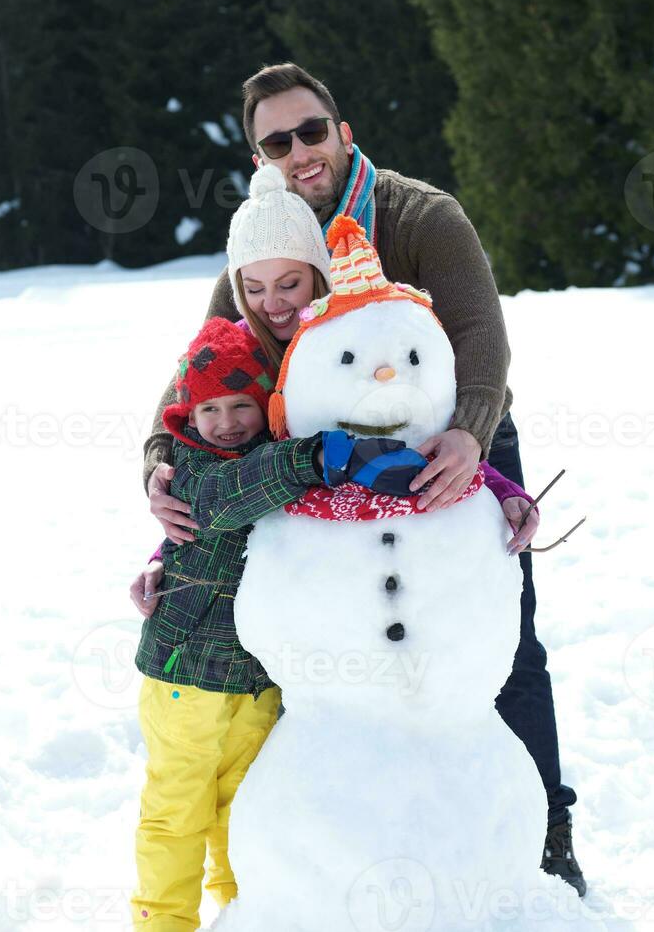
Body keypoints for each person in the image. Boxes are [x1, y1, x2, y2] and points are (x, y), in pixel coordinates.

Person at [142, 75, 586, 894]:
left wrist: (471, 434)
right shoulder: (262, 245)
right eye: (277, 142)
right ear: (259, 157)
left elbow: (480, 332)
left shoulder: (420, 215)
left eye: (310, 132)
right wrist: (157, 471)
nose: (299, 153)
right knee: (318, 639)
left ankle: (541, 835)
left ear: (341, 130)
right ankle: (329, 844)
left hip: (452, 443)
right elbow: (201, 372)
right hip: (317, 465)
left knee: (495, 643)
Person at [131, 315, 441, 930]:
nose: (225, 422)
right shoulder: (195, 470)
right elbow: (230, 496)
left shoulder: (266, 456)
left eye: (240, 404)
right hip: (185, 675)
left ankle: (243, 913)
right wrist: (321, 456)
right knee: (178, 809)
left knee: (242, 808)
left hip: (255, 680)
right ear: (187, 420)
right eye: (209, 409)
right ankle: (163, 922)